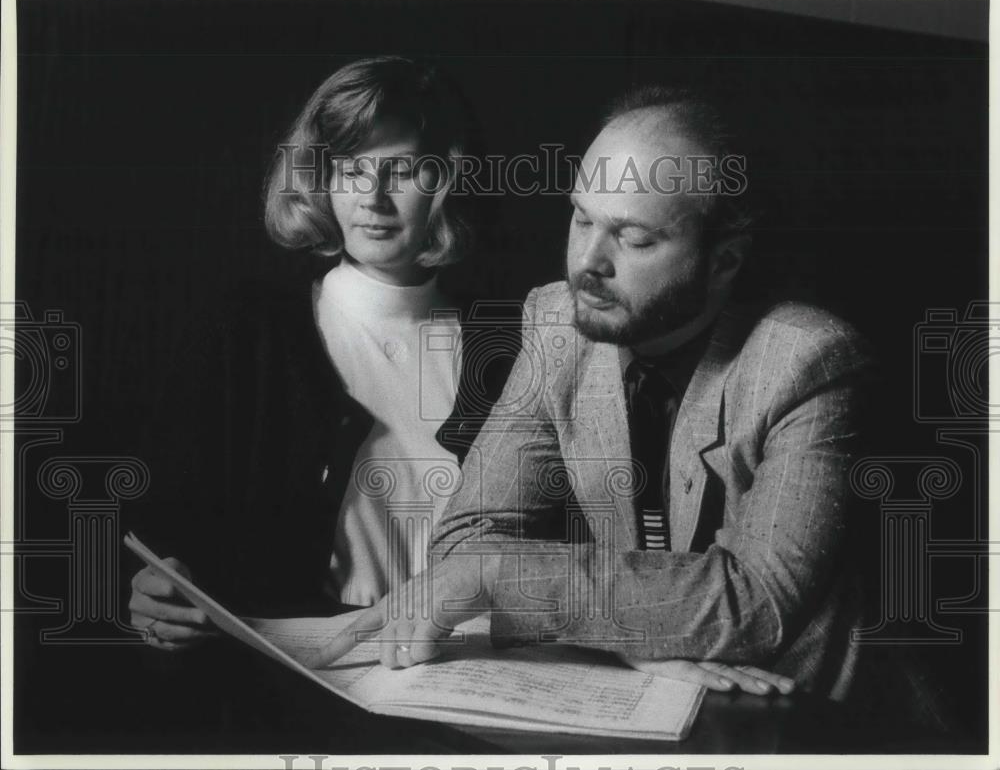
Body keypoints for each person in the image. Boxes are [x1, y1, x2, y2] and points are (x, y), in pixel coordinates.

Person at [311, 85, 875, 701]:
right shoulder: (557, 323)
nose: (588, 263)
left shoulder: (810, 359)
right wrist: (633, 635)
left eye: (634, 240)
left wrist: (505, 576)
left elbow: (756, 601)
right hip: (651, 709)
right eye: (581, 218)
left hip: (816, 723)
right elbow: (465, 538)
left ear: (724, 260)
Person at [127, 56, 519, 647]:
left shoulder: (511, 342)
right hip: (292, 677)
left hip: (475, 669)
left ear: (449, 182)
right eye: (351, 169)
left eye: (403, 170)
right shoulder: (245, 333)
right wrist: (150, 593)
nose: (373, 197)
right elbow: (166, 533)